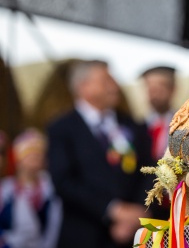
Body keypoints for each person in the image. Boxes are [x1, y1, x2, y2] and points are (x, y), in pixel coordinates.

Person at [47, 60, 154, 248]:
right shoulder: (62, 129)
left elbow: (149, 170)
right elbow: (63, 182)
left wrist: (138, 213)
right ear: (83, 87)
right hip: (83, 237)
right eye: (106, 81)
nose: (114, 87)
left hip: (133, 236)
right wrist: (113, 210)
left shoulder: (133, 126)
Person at [0, 129, 61, 248]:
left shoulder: (49, 187)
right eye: (29, 154)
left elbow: (55, 224)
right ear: (19, 159)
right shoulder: (6, 189)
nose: (35, 159)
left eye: (38, 155)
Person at [141, 66, 176, 160]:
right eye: (151, 87)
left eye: (161, 87)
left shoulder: (184, 125)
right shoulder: (138, 127)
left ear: (172, 88)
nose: (155, 93)